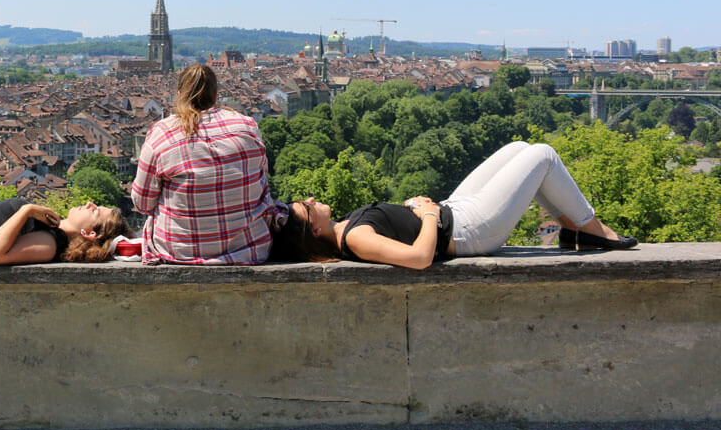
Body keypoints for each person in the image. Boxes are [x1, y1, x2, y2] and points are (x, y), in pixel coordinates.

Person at [273, 140, 637, 269]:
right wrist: (428, 216)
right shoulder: (354, 238)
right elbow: (419, 259)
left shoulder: (347, 228)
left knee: (519, 149)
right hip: (470, 230)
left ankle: (573, 228)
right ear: (314, 230)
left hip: (456, 211)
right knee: (542, 156)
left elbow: (400, 230)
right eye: (307, 208)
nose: (310, 199)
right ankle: (589, 228)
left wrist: (415, 209)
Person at [131, 64, 276, 264]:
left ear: (180, 95)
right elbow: (261, 181)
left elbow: (142, 203)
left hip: (179, 252)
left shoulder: (162, 134)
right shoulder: (247, 126)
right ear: (216, 96)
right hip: (248, 249)